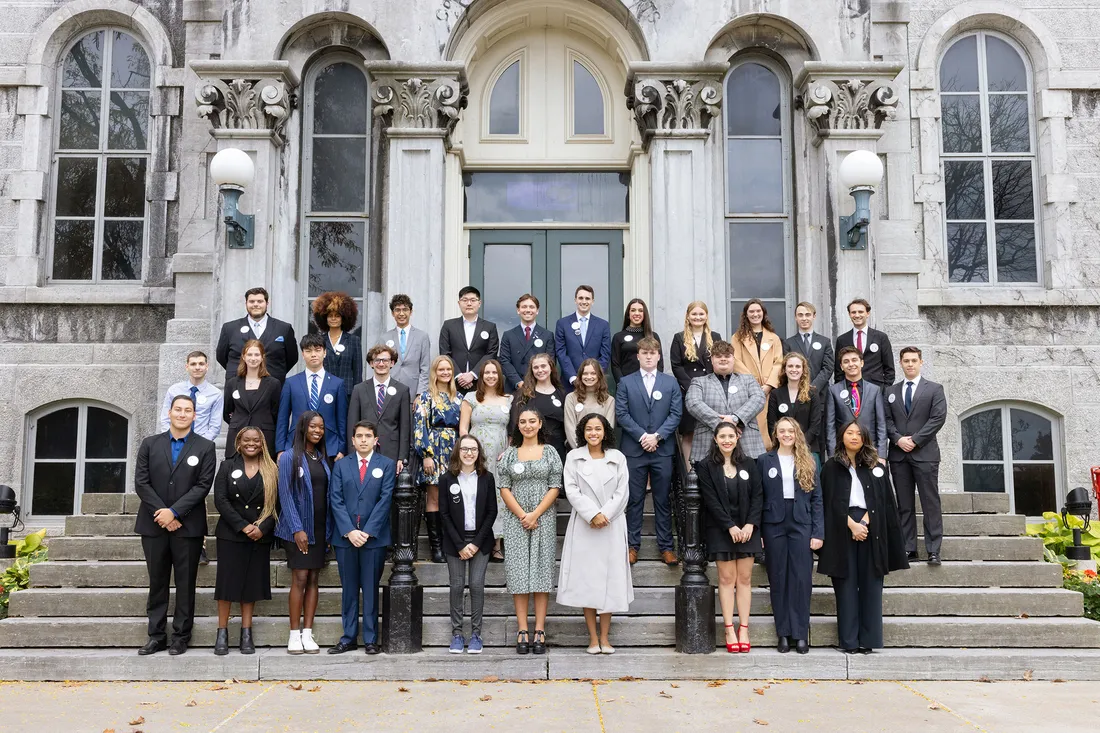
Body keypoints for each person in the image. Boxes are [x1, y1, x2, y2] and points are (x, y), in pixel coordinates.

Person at [134, 395, 217, 657]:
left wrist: (174, 512)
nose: (182, 414)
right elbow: (141, 482)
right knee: (157, 582)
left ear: (195, 416)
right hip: (153, 525)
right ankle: (156, 636)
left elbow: (203, 486)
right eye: (178, 409)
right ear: (169, 413)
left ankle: (181, 636)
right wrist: (162, 513)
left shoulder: (205, 447)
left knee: (185, 583)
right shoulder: (150, 444)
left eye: (187, 410)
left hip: (187, 527)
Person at [818, 420, 908, 654]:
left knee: (871, 584)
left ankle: (868, 640)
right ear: (841, 437)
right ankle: (848, 641)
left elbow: (884, 500)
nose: (854, 436)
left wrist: (864, 523)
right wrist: (851, 525)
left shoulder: (876, 466)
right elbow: (828, 502)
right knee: (845, 585)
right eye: (849, 432)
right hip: (841, 527)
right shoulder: (831, 467)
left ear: (866, 437)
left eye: (859, 433)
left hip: (871, 526)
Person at [559, 413, 633, 654]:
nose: (593, 433)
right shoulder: (573, 457)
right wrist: (592, 514)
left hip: (611, 525)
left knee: (609, 580)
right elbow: (571, 490)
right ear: (583, 432)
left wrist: (605, 515)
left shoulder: (617, 458)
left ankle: (605, 637)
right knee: (588, 581)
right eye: (589, 429)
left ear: (605, 432)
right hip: (585, 525)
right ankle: (592, 638)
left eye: (598, 429)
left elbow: (622, 492)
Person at [498, 408, 563, 655]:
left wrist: (535, 514)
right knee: (519, 573)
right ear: (518, 426)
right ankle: (523, 629)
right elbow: (504, 486)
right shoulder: (510, 454)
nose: (527, 425)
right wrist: (522, 515)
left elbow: (555, 485)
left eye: (532, 421)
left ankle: (540, 630)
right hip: (516, 520)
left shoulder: (550, 452)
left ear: (539, 425)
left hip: (543, 518)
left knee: (541, 573)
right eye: (523, 422)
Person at [327, 421, 395, 655]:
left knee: (370, 587)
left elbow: (385, 500)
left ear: (376, 440)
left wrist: (367, 531)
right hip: (345, 538)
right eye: (359, 436)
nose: (363, 440)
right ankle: (348, 637)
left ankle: (370, 638)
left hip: (373, 538)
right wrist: (350, 530)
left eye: (368, 436)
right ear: (353, 440)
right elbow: (335, 499)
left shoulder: (385, 465)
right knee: (349, 589)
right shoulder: (341, 465)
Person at [696, 421, 762, 654]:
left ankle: (743, 628)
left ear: (737, 438)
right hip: (721, 530)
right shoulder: (705, 466)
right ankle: (728, 629)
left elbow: (758, 496)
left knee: (744, 579)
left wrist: (750, 525)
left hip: (748, 530)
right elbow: (710, 500)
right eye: (722, 436)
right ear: (715, 439)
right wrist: (730, 527)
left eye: (730, 436)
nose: (726, 440)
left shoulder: (749, 464)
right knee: (726, 579)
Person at [615, 337, 682, 566]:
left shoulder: (670, 383)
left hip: (662, 450)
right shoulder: (625, 382)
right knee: (634, 500)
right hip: (635, 449)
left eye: (653, 353)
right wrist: (643, 436)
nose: (649, 356)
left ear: (659, 356)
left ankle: (666, 547)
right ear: (638, 355)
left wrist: (658, 436)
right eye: (645, 353)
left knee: (663, 500)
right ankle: (632, 546)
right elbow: (621, 414)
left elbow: (675, 414)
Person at [759, 417, 823, 655]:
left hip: (801, 522)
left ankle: (800, 633)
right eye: (782, 431)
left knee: (801, 579)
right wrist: (758, 532)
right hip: (773, 523)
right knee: (778, 578)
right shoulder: (765, 461)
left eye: (791, 431)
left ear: (797, 434)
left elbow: (817, 499)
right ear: (776, 434)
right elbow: (758, 497)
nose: (786, 435)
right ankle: (783, 634)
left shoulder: (810, 460)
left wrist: (818, 532)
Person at [212, 427, 278, 655]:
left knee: (250, 586)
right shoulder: (227, 466)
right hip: (231, 533)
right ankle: (222, 632)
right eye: (247, 440)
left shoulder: (272, 469)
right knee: (227, 584)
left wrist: (262, 527)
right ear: (239, 442)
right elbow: (220, 499)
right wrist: (242, 525)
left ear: (263, 443)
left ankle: (246, 632)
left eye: (256, 440)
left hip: (259, 536)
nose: (252, 444)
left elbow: (277, 504)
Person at [884, 347, 947, 566]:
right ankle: (908, 548)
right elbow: (886, 420)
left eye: (913, 360)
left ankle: (933, 550)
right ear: (900, 363)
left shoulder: (934, 389)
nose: (910, 364)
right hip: (899, 455)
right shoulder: (890, 391)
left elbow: (938, 418)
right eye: (906, 361)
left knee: (930, 503)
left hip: (925, 454)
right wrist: (898, 439)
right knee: (904, 504)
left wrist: (915, 440)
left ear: (921, 362)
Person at [274, 412, 330, 655]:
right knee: (300, 579)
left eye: (321, 427)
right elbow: (284, 495)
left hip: (319, 527)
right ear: (303, 428)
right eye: (313, 426)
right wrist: (297, 528)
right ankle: (294, 634)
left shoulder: (321, 457)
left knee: (314, 579)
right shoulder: (289, 457)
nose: (317, 431)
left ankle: (308, 633)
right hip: (298, 528)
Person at [438, 434, 498, 654]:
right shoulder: (447, 479)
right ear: (458, 452)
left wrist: (475, 543)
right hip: (455, 540)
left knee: (475, 585)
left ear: (479, 452)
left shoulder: (487, 478)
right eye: (464, 449)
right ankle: (456, 634)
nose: (469, 453)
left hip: (480, 539)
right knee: (456, 585)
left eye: (473, 449)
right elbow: (443, 514)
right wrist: (461, 544)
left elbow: (492, 511)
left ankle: (475, 634)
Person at [458, 359, 513, 562]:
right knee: (475, 495)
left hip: (500, 456)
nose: (491, 376)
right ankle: (474, 541)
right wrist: (469, 452)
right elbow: (463, 428)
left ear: (500, 376)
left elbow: (512, 430)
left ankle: (497, 544)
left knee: (498, 497)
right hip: (475, 455)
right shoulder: (471, 397)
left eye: (494, 373)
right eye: (487, 373)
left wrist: (509, 450)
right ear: (481, 376)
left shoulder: (508, 399)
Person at [414, 355, 462, 564]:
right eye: (441, 369)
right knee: (433, 498)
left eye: (448, 369)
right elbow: (419, 428)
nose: (445, 373)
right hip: (434, 450)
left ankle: (451, 543)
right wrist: (426, 455)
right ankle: (436, 548)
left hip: (453, 451)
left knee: (452, 497)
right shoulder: (425, 398)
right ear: (435, 372)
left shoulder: (459, 398)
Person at [685, 340, 766, 462]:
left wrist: (735, 418)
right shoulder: (699, 382)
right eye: (718, 356)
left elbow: (759, 399)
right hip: (708, 444)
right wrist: (722, 424)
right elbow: (693, 403)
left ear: (733, 359)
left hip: (747, 442)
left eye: (727, 356)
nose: (723, 359)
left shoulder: (748, 379)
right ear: (712, 360)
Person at [276, 334, 347, 463]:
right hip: (296, 444)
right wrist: (281, 449)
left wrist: (341, 448)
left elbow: (342, 420)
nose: (313, 354)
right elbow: (283, 418)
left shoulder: (337, 384)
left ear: (325, 353)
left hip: (329, 446)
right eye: (308, 351)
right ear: (303, 354)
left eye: (317, 350)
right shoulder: (291, 383)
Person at [669, 301, 723, 464]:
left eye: (701, 314)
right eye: (694, 314)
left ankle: (710, 470)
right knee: (689, 432)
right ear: (688, 316)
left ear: (706, 316)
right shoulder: (679, 338)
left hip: (711, 390)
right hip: (688, 391)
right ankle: (689, 473)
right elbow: (676, 365)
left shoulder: (715, 337)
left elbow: (720, 362)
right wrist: (691, 386)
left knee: (711, 430)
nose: (697, 317)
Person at [347, 344, 411, 473]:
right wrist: (352, 453)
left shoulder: (402, 390)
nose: (381, 364)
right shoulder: (359, 389)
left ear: (392, 363)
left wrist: (402, 457)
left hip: (391, 451)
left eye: (385, 360)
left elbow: (405, 426)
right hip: (364, 450)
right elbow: (352, 424)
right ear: (371, 363)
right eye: (377, 360)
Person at [732, 299, 784, 452]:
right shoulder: (737, 338)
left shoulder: (773, 338)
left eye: (758, 311)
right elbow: (735, 361)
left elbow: (779, 362)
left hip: (770, 390)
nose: (755, 314)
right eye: (751, 312)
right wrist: (753, 384)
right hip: (747, 391)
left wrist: (768, 385)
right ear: (746, 315)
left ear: (763, 313)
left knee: (770, 427)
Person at [216, 286, 298, 383]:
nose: (255, 304)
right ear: (246, 303)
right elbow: (221, 357)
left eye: (260, 301)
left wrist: (275, 372)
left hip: (273, 387)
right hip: (238, 384)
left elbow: (292, 358)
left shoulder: (284, 328)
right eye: (251, 301)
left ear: (267, 303)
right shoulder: (229, 328)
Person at [223, 340, 281, 458]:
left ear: (262, 357)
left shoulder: (273, 384)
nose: (253, 358)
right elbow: (227, 412)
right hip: (237, 438)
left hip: (264, 438)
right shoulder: (232, 383)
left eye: (256, 355)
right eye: (249, 354)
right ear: (243, 357)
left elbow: (275, 413)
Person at [827, 347, 887, 457]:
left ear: (862, 363)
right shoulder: (833, 391)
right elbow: (830, 426)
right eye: (846, 361)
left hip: (870, 450)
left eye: (854, 360)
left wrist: (882, 455)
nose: (851, 364)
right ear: (841, 367)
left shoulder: (875, 390)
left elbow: (881, 425)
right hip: (843, 451)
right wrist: (832, 455)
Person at [439, 286, 500, 396]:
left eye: (473, 300)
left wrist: (472, 374)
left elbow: (491, 353)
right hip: (453, 384)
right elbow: (445, 353)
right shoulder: (448, 326)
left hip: (480, 383)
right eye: (465, 300)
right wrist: (459, 376)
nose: (469, 303)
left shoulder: (490, 327)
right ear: (459, 303)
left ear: (479, 303)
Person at [767, 352, 824, 463]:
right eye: (790, 366)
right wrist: (786, 444)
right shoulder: (775, 394)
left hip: (808, 449)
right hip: (783, 450)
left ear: (803, 370)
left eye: (798, 366)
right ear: (784, 369)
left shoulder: (812, 393)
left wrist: (799, 444)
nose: (794, 369)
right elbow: (772, 425)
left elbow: (815, 425)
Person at [509, 353, 568, 462]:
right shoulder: (525, 393)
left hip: (557, 450)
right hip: (531, 449)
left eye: (543, 366)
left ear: (551, 367)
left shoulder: (561, 393)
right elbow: (515, 422)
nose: (540, 370)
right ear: (532, 371)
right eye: (535, 367)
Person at [555, 285, 611, 390]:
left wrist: (595, 376)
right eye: (581, 298)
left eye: (587, 298)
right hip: (570, 384)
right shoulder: (563, 323)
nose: (584, 301)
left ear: (592, 301)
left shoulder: (603, 325)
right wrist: (572, 377)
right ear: (575, 300)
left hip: (595, 384)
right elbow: (561, 352)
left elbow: (605, 354)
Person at [158, 351, 222, 441]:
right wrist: (171, 440)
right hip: (175, 441)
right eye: (193, 364)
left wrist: (202, 444)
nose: (197, 367)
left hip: (201, 442)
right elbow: (165, 419)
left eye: (201, 364)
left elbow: (215, 426)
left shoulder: (216, 394)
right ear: (187, 367)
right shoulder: (174, 390)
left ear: (206, 367)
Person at [499, 293, 555, 393]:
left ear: (537, 310)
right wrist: (519, 383)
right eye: (524, 307)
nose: (528, 310)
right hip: (514, 388)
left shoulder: (547, 335)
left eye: (531, 307)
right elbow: (504, 361)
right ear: (518, 310)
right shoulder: (508, 335)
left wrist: (536, 383)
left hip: (539, 388)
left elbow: (550, 362)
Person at [834, 298, 895, 389]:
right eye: (853, 312)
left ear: (867, 313)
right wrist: (842, 391)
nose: (857, 315)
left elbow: (889, 369)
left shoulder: (881, 337)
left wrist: (884, 390)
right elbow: (838, 371)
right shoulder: (842, 340)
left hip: (877, 389)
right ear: (849, 314)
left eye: (860, 312)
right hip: (851, 389)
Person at [312, 291, 362, 399]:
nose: (333, 318)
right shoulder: (319, 340)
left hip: (347, 393)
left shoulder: (354, 340)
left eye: (337, 316)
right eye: (330, 316)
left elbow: (357, 372)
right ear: (324, 318)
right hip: (324, 390)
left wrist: (357, 396)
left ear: (343, 318)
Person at [383, 294, 431, 396]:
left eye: (405, 309)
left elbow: (425, 368)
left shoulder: (422, 336)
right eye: (397, 310)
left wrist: (420, 394)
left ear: (411, 312)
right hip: (390, 391)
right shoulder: (384, 338)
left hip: (413, 391)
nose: (401, 313)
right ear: (392, 313)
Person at [783, 302, 834, 397]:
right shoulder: (788, 343)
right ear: (795, 317)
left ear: (814, 316)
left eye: (808, 315)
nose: (804, 318)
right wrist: (801, 388)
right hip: (795, 393)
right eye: (800, 315)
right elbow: (786, 368)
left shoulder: (825, 342)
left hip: (820, 394)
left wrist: (813, 387)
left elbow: (828, 368)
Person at [563, 359, 616, 450]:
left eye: (593, 373)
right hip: (577, 451)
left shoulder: (609, 400)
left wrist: (596, 452)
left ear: (599, 375)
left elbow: (608, 430)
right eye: (585, 373)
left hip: (601, 452)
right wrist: (581, 451)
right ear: (580, 376)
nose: (589, 376)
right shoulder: (571, 398)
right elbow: (570, 428)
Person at [611, 298, 663, 384]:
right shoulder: (618, 337)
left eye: (640, 311)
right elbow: (615, 365)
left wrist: (655, 383)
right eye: (633, 310)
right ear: (628, 314)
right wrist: (622, 384)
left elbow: (660, 363)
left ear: (644, 314)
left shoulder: (654, 336)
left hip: (649, 384)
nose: (637, 313)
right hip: (626, 385)